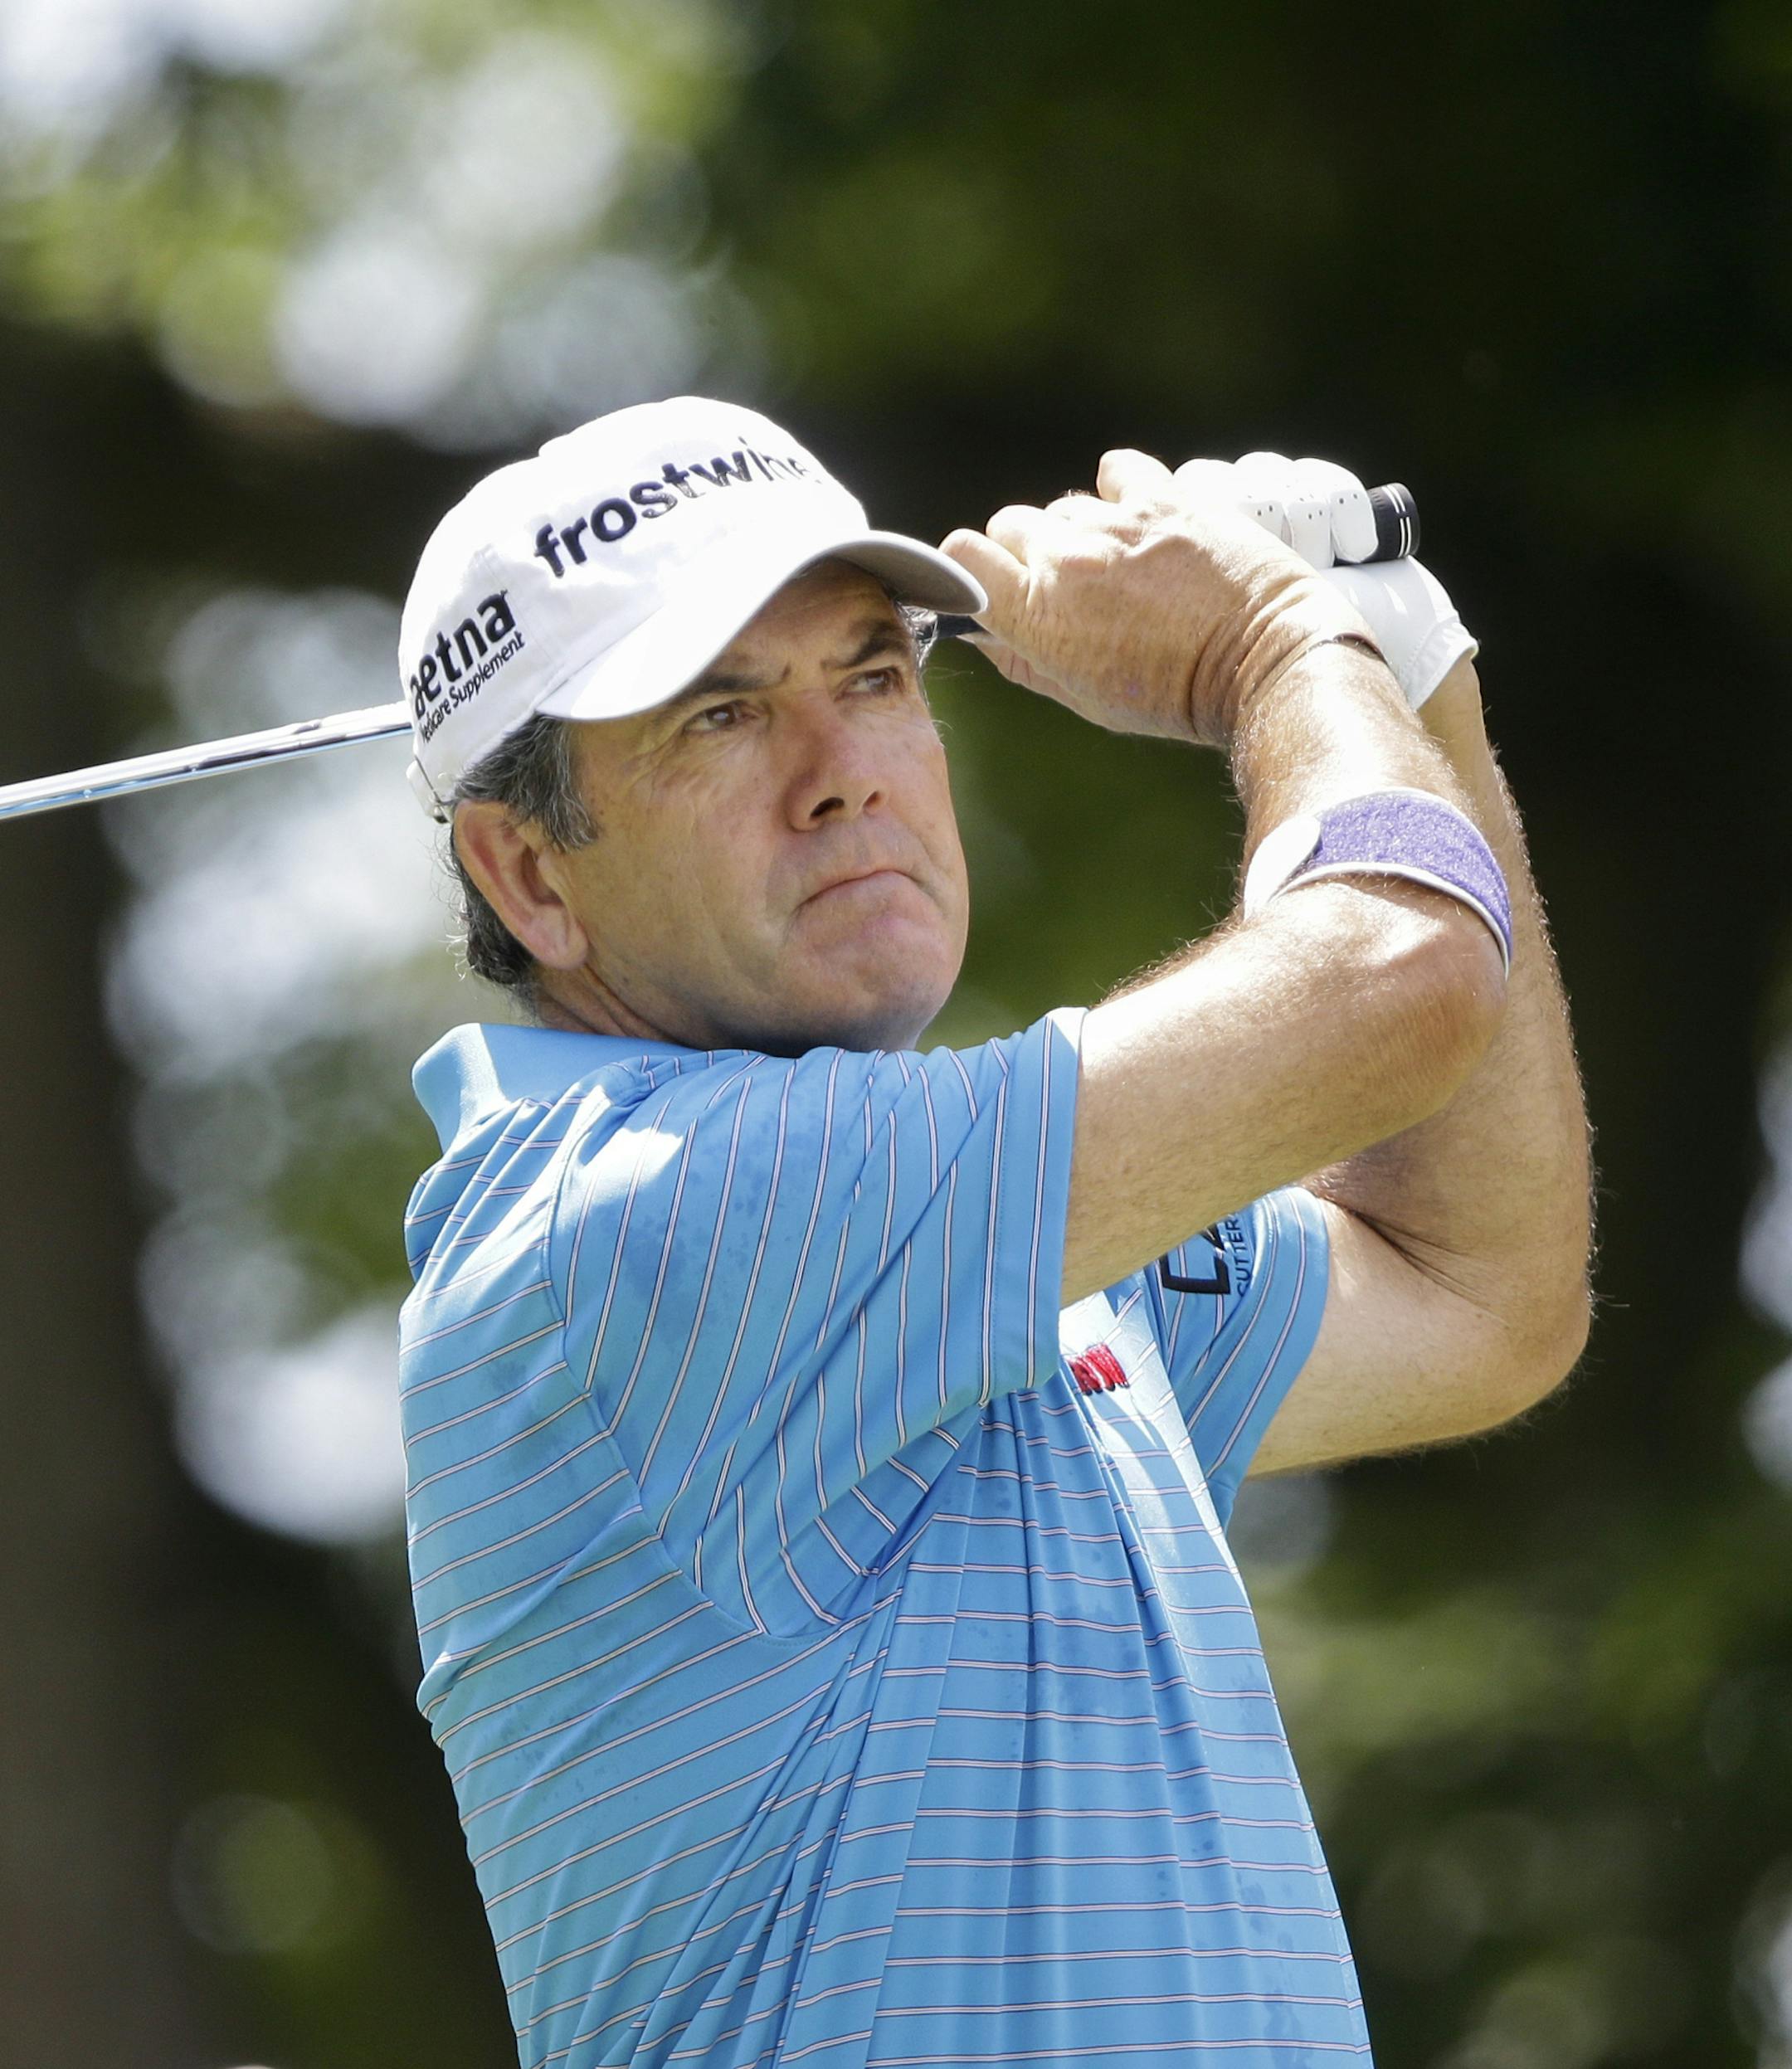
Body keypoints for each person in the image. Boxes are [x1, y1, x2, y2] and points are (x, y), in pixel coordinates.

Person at [396, 394, 1590, 2069]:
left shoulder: (976, 1240)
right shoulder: (629, 1227)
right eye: (722, 713)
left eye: (874, 673)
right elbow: (1397, 976)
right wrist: (1277, 643)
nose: (841, 774)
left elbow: (1480, 1293)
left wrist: (1410, 669)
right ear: (529, 873)